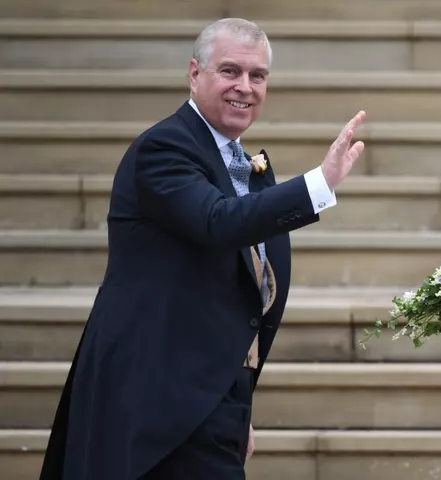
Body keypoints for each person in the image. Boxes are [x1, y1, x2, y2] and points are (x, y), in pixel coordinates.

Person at [39, 18, 366, 480]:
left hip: (211, 394)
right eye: (230, 71)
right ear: (195, 74)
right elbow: (216, 222)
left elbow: (245, 285)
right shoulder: (165, 147)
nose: (245, 87)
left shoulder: (244, 162)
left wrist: (236, 402)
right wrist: (319, 184)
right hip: (151, 398)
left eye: (258, 76)